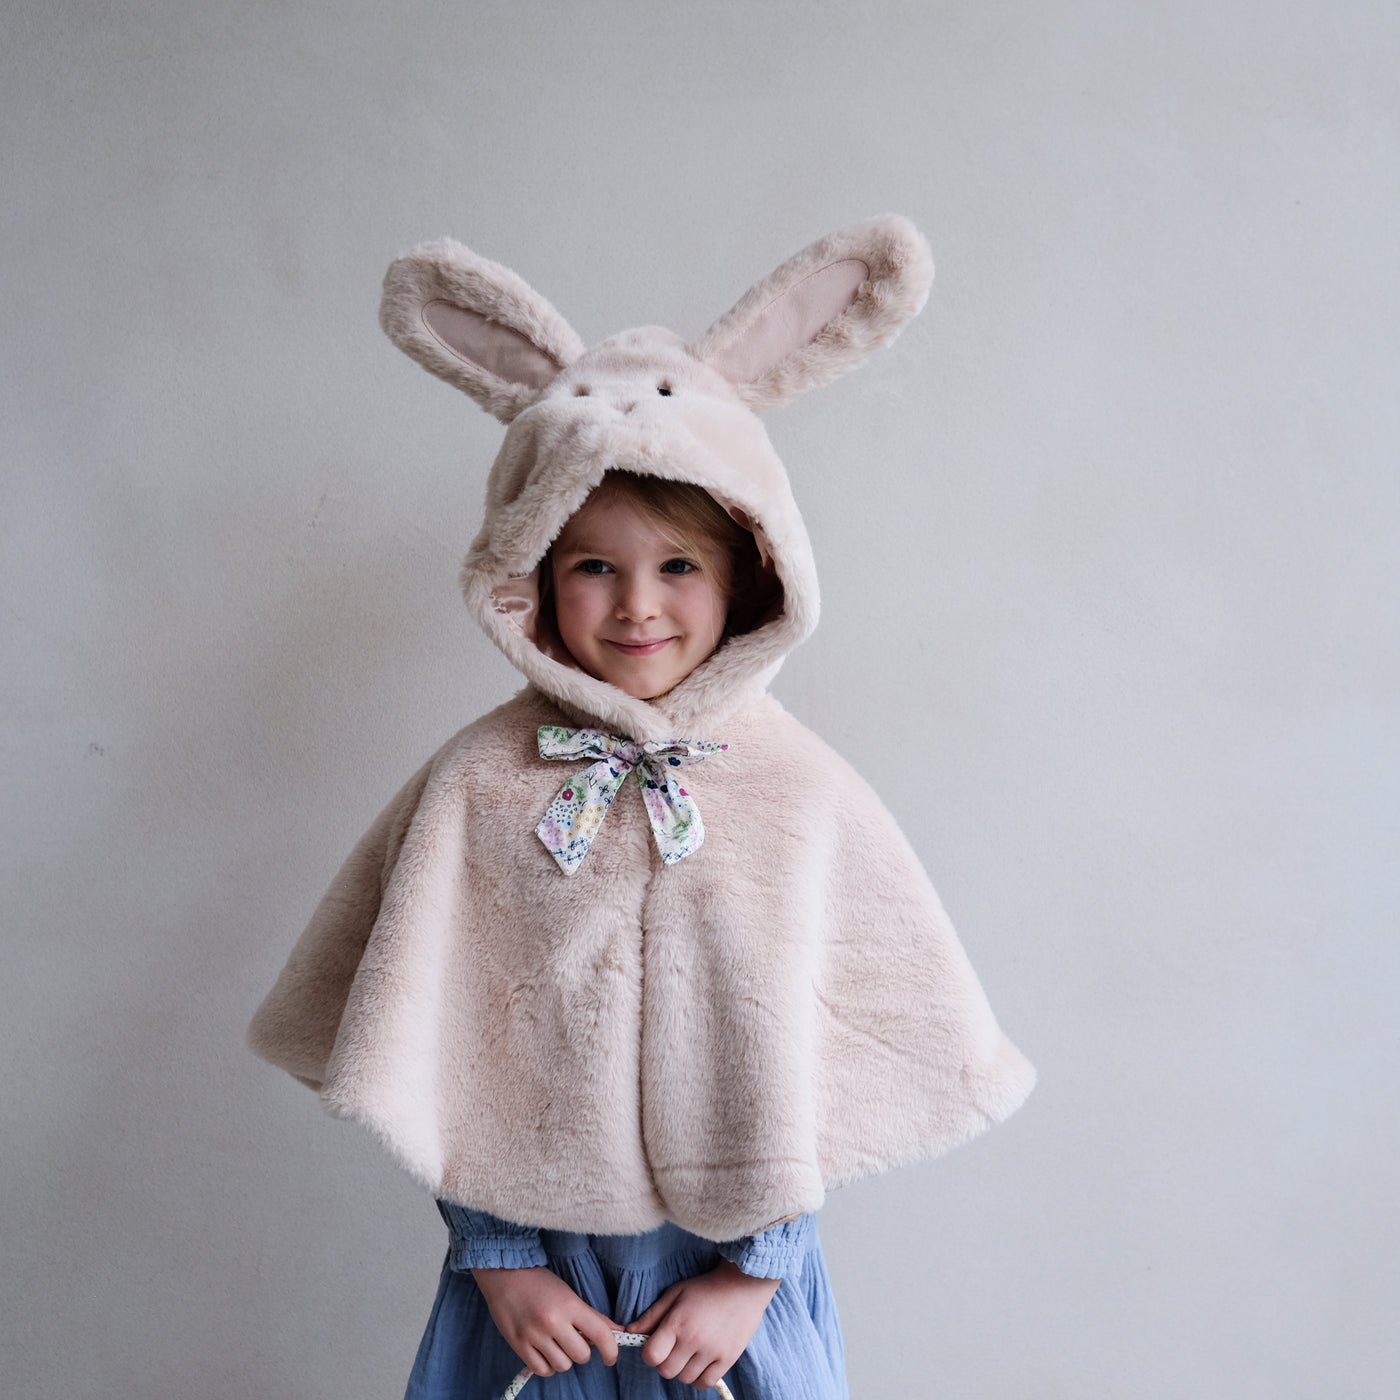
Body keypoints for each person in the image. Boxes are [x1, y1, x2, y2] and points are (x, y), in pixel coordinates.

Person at [247, 217, 1035, 1400]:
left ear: (747, 579)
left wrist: (754, 1274)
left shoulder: (798, 791)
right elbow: (444, 1025)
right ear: (528, 575)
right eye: (591, 566)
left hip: (726, 1281)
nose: (634, 606)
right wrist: (499, 1260)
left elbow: (823, 1042)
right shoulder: (480, 782)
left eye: (677, 567)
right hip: (527, 1275)